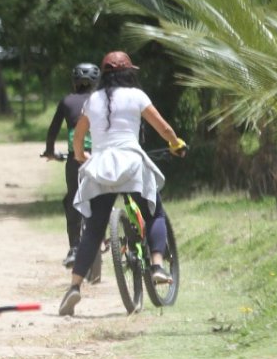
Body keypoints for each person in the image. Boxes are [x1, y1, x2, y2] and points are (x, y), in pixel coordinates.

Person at [62, 50, 187, 316]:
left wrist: (81, 156)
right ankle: (156, 266)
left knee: (94, 228)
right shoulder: (137, 96)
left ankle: (74, 287)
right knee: (154, 213)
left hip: (101, 168)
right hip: (131, 164)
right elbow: (163, 128)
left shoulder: (92, 100)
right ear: (130, 72)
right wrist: (176, 144)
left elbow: (78, 136)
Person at [41, 62, 100, 268]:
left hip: (77, 158)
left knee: (73, 200)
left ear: (74, 82)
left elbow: (53, 130)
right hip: (102, 157)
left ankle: (75, 248)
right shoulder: (102, 100)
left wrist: (50, 151)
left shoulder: (67, 101)